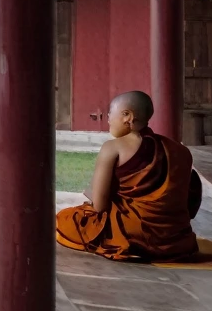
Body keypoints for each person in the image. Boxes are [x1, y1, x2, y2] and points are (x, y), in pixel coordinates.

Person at [57, 91, 203, 262]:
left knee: (64, 220)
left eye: (111, 113)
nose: (109, 119)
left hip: (133, 236)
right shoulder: (181, 150)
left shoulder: (113, 147)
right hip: (177, 241)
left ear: (127, 116)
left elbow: (99, 206)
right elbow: (191, 199)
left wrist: (93, 194)